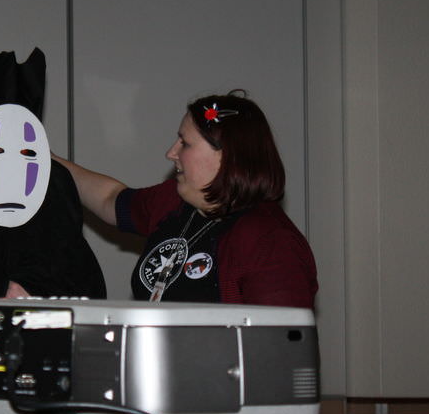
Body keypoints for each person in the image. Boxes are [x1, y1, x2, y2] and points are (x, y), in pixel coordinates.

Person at [54, 90, 317, 307]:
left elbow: (279, 346)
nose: (171, 153)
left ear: (228, 156)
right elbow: (110, 198)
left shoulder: (270, 242)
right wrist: (44, 159)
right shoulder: (174, 200)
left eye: (185, 143)